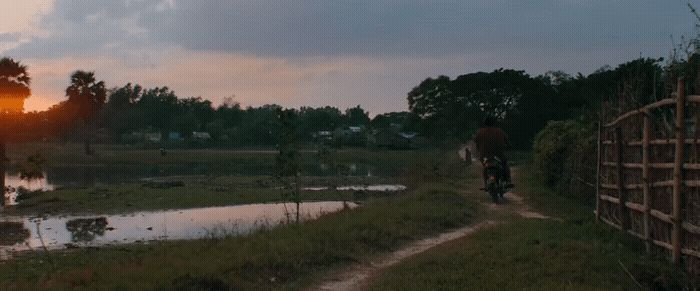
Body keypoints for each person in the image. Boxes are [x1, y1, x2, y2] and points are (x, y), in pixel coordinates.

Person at [473, 115, 512, 187]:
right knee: (505, 164)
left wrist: (479, 150)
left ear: (485, 123)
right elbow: (508, 142)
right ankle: (508, 180)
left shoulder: (480, 132)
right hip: (499, 155)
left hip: (484, 156)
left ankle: (485, 183)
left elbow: (476, 142)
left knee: (485, 167)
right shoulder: (499, 131)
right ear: (494, 123)